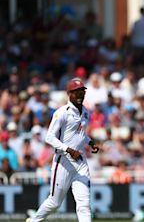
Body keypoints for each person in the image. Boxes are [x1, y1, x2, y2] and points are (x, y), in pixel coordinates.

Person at [27, 78, 99, 222]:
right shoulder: (62, 113)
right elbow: (49, 137)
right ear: (69, 94)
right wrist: (69, 150)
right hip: (64, 162)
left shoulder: (85, 112)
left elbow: (81, 134)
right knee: (55, 203)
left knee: (84, 204)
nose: (80, 95)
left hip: (80, 162)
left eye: (82, 92)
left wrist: (90, 142)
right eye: (76, 92)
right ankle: (33, 221)